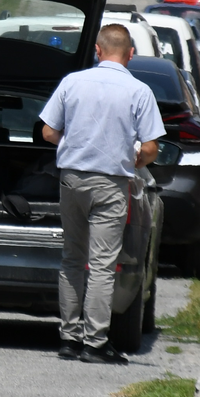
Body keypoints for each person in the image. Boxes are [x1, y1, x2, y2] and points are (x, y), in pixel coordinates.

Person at [39, 23, 164, 365]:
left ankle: (68, 337)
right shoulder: (138, 91)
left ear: (97, 50)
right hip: (110, 184)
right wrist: (137, 157)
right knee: (103, 265)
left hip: (72, 179)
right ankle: (95, 342)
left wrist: (75, 145)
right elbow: (151, 147)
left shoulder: (72, 82)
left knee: (71, 259)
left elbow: (48, 131)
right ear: (131, 54)